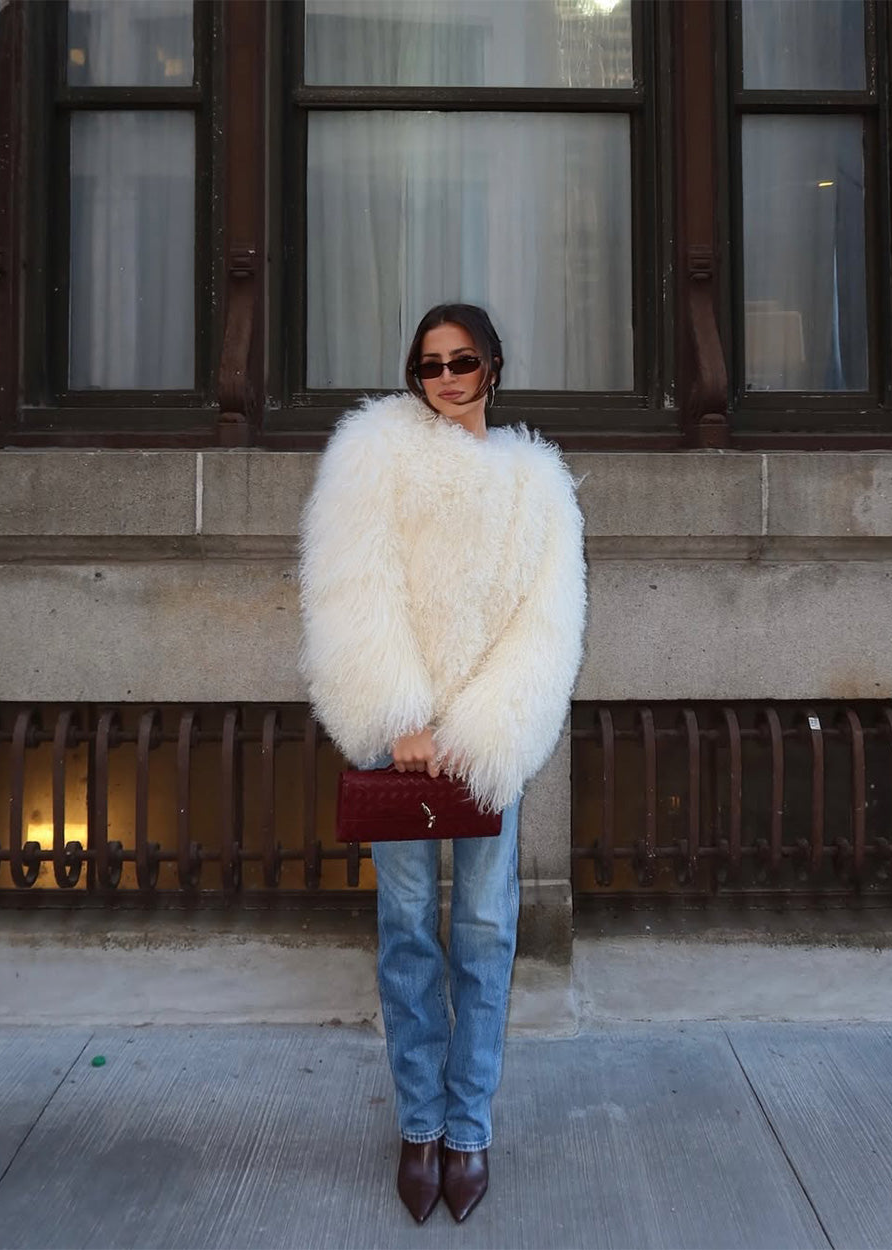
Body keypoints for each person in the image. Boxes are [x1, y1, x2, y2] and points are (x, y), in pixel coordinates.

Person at [298, 303, 587, 1224]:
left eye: (464, 361)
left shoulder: (537, 482)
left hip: (489, 745)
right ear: (413, 376)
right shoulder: (374, 454)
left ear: (493, 366)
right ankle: (419, 1123)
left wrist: (482, 728)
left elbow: (548, 623)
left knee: (489, 931)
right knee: (409, 929)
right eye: (431, 366)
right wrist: (404, 716)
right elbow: (352, 589)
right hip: (400, 741)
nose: (449, 379)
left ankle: (469, 1127)